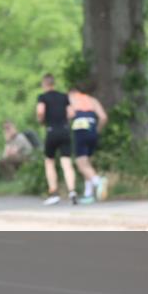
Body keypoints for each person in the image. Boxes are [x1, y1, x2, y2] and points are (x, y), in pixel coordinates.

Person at [37, 74, 77, 205]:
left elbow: (40, 112)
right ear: (54, 83)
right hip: (65, 130)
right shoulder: (64, 96)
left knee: (49, 161)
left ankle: (53, 193)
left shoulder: (42, 97)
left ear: (44, 84)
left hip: (52, 131)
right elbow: (71, 113)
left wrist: (42, 121)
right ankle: (72, 191)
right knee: (66, 162)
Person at [68, 85, 108, 204]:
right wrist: (97, 130)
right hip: (92, 130)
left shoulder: (71, 100)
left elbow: (69, 115)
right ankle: (88, 194)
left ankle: (98, 181)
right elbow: (104, 117)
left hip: (80, 131)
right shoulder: (92, 100)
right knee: (87, 163)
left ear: (71, 92)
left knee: (80, 164)